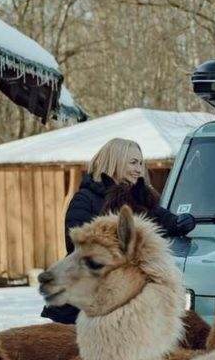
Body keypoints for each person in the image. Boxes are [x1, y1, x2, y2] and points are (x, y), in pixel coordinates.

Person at [41, 138, 195, 324]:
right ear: (115, 161)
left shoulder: (139, 197)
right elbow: (77, 244)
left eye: (140, 163)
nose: (139, 169)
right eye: (133, 163)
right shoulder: (85, 199)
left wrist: (182, 222)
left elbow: (166, 219)